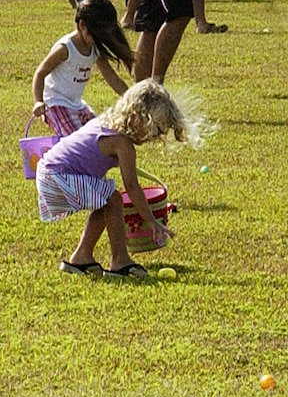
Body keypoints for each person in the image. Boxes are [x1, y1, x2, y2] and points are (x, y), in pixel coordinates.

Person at [36, 79, 199, 280]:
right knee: (113, 199)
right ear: (136, 116)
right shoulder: (122, 144)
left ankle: (81, 257)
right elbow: (131, 186)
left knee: (104, 200)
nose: (152, 138)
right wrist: (151, 221)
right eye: (153, 130)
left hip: (48, 172)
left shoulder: (107, 123)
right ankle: (120, 260)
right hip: (56, 176)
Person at [31, 0, 132, 137]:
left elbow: (112, 78)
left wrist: (130, 97)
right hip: (55, 104)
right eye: (98, 35)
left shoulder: (94, 47)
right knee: (77, 141)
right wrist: (38, 102)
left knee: (100, 136)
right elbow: (40, 73)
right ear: (82, 25)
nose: (101, 40)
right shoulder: (65, 48)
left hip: (77, 104)